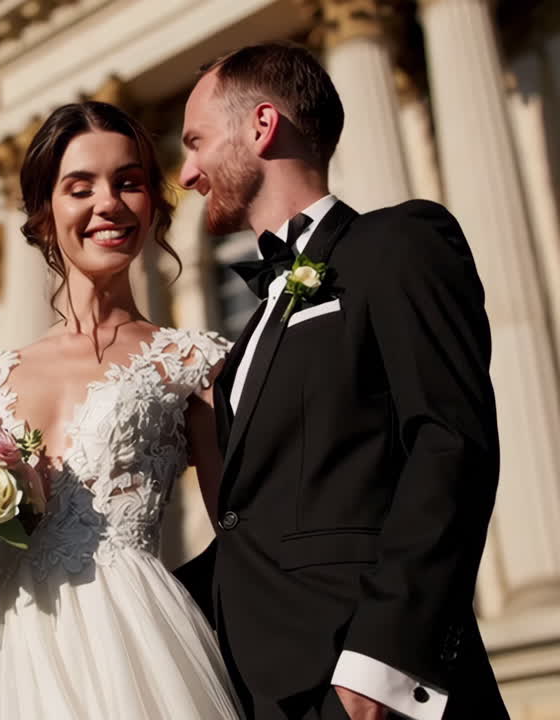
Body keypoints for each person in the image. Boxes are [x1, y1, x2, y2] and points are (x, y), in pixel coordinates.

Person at [176, 43, 508, 719]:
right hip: (267, 692)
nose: (186, 174)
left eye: (197, 142)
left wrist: (381, 665)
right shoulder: (243, 347)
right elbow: (256, 530)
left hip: (372, 685)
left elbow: (450, 443)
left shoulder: (396, 244)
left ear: (262, 126)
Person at [0, 101, 242, 719]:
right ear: (45, 213)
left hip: (136, 650)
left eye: (129, 182)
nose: (108, 204)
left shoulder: (194, 363)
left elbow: (241, 538)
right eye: (80, 187)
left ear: (153, 205)